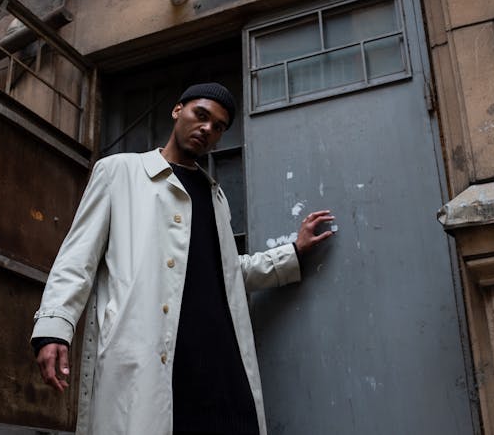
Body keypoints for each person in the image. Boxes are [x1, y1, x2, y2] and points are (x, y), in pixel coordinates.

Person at [32, 82, 334, 435]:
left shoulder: (214, 197)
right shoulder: (119, 173)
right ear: (178, 111)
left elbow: (226, 273)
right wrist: (54, 327)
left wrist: (293, 253)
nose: (207, 129)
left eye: (218, 126)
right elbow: (76, 258)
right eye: (201, 115)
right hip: (156, 359)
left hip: (220, 363)